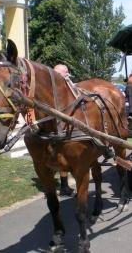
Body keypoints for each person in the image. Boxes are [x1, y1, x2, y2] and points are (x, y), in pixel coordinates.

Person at [53, 64, 75, 196]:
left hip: (68, 126)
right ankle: (64, 186)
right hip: (57, 126)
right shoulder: (51, 88)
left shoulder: (71, 87)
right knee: (60, 156)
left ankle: (65, 185)